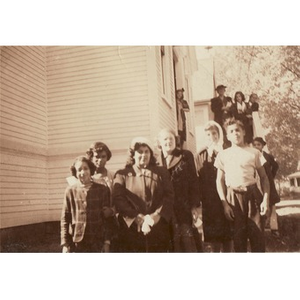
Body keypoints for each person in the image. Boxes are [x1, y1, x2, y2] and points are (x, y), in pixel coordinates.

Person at [214, 119, 270, 252]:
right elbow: (219, 181)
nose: (235, 134)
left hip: (252, 196)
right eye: (231, 131)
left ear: (244, 132)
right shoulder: (223, 155)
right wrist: (225, 205)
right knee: (239, 240)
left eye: (238, 130)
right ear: (227, 136)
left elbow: (264, 177)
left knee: (257, 237)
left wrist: (265, 200)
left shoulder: (255, 152)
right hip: (233, 198)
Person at [112, 137, 174, 252]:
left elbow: (169, 196)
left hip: (158, 227)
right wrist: (136, 216)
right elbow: (118, 199)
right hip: (132, 229)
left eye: (146, 151)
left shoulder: (161, 172)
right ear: (133, 155)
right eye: (140, 152)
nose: (143, 155)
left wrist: (157, 215)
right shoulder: (122, 174)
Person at [156, 128, 201, 252]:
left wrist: (194, 207)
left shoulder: (185, 156)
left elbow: (194, 182)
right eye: (165, 139)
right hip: (164, 209)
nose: (168, 141)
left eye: (171, 138)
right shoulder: (156, 161)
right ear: (159, 142)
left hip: (183, 207)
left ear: (175, 140)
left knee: (186, 243)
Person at [195, 121, 233, 252]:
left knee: (228, 233)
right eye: (208, 134)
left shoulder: (227, 150)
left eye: (214, 133)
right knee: (214, 237)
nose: (211, 137)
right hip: (209, 199)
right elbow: (198, 178)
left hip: (226, 196)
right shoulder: (201, 155)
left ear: (219, 134)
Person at [60, 156, 111, 253]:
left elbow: (107, 219)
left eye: (85, 168)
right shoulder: (70, 191)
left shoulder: (102, 189)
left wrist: (107, 242)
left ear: (91, 170)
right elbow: (65, 219)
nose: (83, 173)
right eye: (79, 170)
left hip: (97, 241)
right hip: (78, 242)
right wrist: (65, 244)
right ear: (75, 172)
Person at [253, 137, 280, 236]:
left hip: (268, 184)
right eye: (254, 145)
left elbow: (276, 166)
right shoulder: (252, 156)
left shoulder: (268, 156)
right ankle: (261, 228)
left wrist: (271, 176)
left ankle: (274, 228)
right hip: (257, 184)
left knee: (272, 206)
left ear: (262, 146)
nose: (256, 147)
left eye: (258, 145)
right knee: (258, 206)